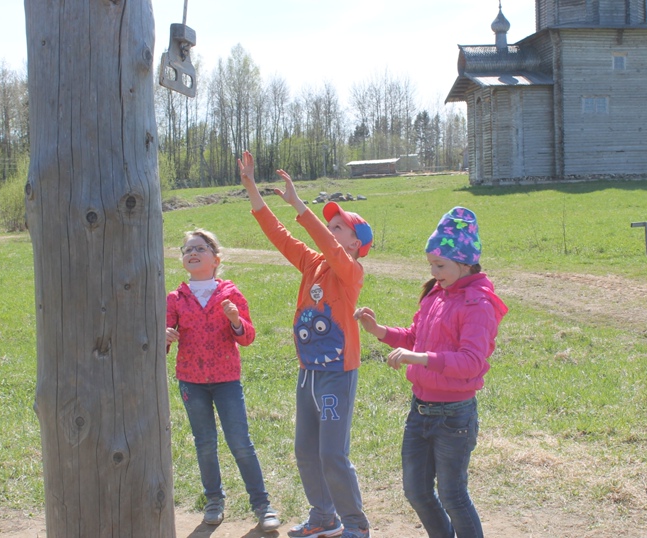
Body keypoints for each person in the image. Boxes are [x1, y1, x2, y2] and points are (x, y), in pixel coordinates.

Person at [237, 151, 372, 538]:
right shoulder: (313, 263)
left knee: (332, 454)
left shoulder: (351, 271)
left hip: (336, 375)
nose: (332, 230)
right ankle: (324, 517)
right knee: (305, 451)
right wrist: (250, 186)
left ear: (356, 243)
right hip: (308, 373)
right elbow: (277, 235)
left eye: (339, 226)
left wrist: (299, 204)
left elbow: (329, 248)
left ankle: (356, 525)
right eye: (329, 224)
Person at [354, 206, 508, 538]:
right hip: (420, 410)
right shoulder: (437, 295)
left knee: (453, 495)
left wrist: (421, 358)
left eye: (440, 265)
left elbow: (471, 363)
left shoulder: (478, 305)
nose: (434, 272)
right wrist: (379, 330)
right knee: (417, 491)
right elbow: (414, 337)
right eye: (431, 265)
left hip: (454, 416)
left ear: (465, 263)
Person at [165, 229, 280, 532]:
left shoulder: (230, 294)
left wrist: (234, 320)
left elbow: (248, 337)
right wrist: (164, 336)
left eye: (200, 248)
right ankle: (214, 501)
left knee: (240, 443)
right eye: (187, 249)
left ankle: (262, 505)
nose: (192, 253)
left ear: (215, 259)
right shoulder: (175, 299)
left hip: (227, 380)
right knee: (205, 444)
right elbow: (161, 340)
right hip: (191, 381)